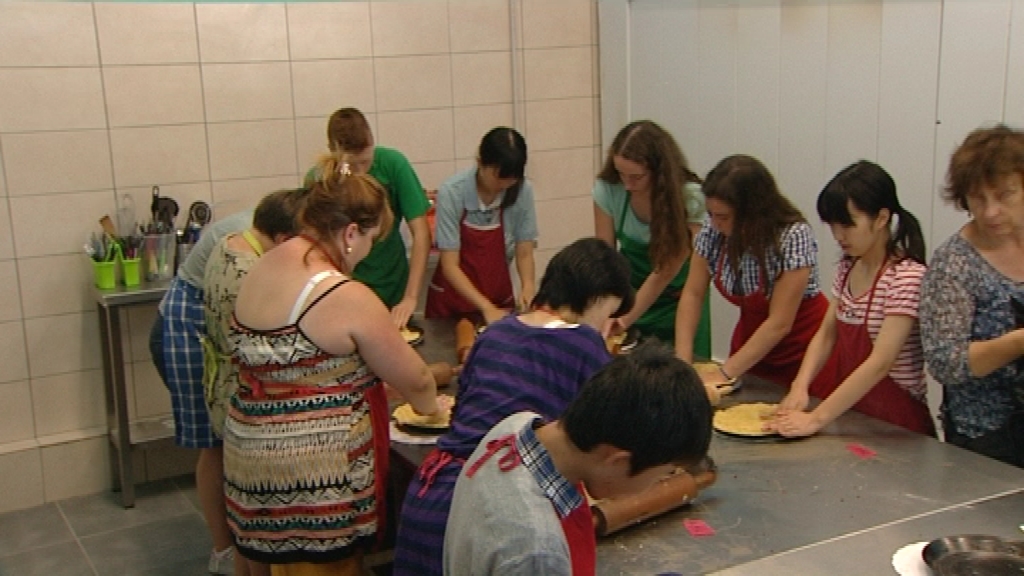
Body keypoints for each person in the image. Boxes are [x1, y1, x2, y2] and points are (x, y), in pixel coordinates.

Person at [223, 157, 444, 575]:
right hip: (314, 480)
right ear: (349, 233)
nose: (364, 252)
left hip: (250, 463)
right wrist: (434, 406)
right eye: (370, 240)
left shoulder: (265, 263)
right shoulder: (341, 293)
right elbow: (416, 381)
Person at [393, 237, 634, 576]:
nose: (608, 329)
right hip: (493, 511)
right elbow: (604, 449)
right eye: (608, 315)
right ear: (593, 297)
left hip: (432, 496)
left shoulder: (495, 333)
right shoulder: (585, 344)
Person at [442, 342, 713, 575]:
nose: (658, 485)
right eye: (663, 475)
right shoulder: (536, 552)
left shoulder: (514, 428)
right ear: (616, 460)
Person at [770, 161, 934, 437]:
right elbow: (825, 335)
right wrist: (800, 386)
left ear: (881, 219)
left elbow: (881, 361)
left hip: (900, 428)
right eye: (833, 225)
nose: (838, 236)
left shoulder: (906, 277)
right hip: (854, 415)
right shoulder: (848, 268)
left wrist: (815, 420)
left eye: (847, 225)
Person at [149, 209, 253, 575]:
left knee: (230, 440)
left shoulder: (279, 229)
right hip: (186, 325)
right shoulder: (248, 240)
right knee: (215, 442)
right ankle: (223, 550)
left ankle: (244, 548)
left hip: (212, 325)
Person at [675, 155, 830, 389]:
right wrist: (683, 362)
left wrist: (725, 373)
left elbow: (779, 323)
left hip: (802, 352)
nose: (715, 223)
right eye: (712, 214)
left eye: (724, 217)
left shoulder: (793, 236)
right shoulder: (713, 228)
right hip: (751, 347)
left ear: (753, 213)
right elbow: (693, 294)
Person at [921, 124, 1024, 468]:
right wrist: (1018, 343)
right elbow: (945, 361)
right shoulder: (954, 263)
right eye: (979, 198)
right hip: (987, 437)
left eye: (1005, 195)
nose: (991, 211)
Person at [304, 107, 430, 328]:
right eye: (353, 165)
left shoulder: (393, 165)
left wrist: (410, 297)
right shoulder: (320, 181)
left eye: (366, 161)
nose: (361, 171)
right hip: (344, 286)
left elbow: (421, 232)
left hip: (391, 281)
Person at [593, 120, 711, 353]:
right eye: (621, 174)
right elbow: (604, 259)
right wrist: (607, 312)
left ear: (659, 171)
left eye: (636, 177)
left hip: (679, 305)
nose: (627, 185)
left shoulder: (691, 197)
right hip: (630, 299)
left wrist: (624, 319)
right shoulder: (608, 188)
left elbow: (667, 268)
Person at [425, 127, 538, 324]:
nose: (503, 186)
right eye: (497, 178)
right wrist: (486, 308)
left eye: (510, 181)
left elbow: (525, 252)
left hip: (498, 299)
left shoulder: (522, 191)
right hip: (451, 306)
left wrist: (528, 287)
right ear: (480, 163)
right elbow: (450, 265)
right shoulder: (452, 192)